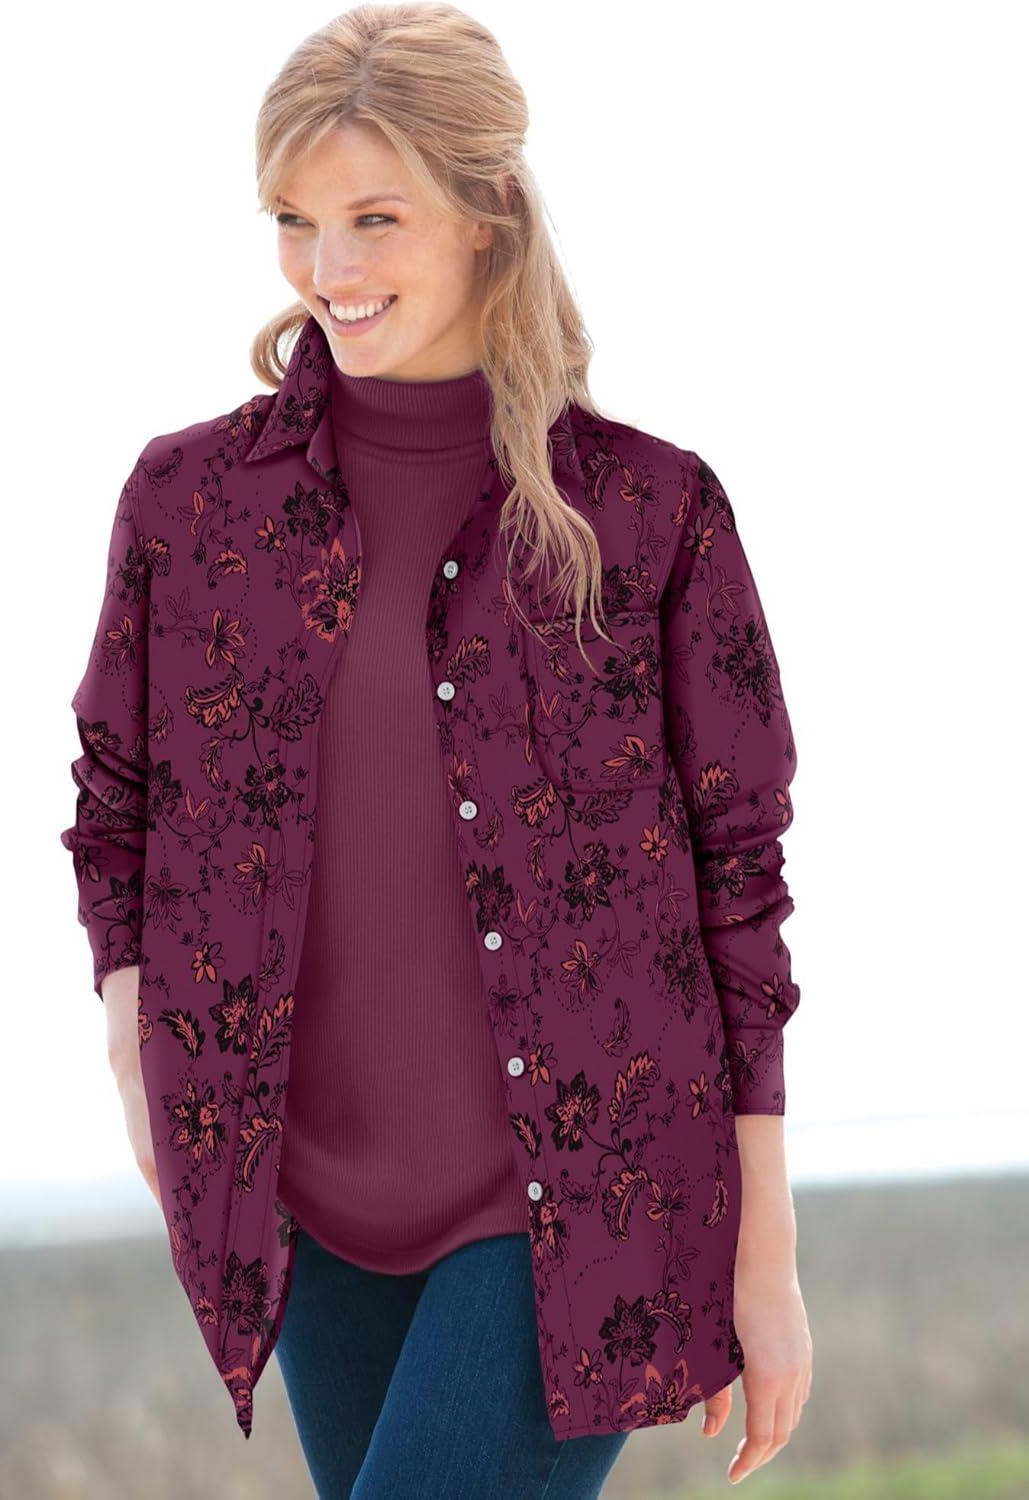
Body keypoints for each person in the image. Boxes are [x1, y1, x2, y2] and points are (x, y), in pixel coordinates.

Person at [65, 4, 812, 1495]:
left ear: (485, 211)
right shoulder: (192, 505)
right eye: (294, 220)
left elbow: (738, 883)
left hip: (586, 1192)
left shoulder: (646, 517)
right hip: (298, 1193)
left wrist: (767, 1253)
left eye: (374, 218)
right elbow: (116, 797)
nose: (326, 269)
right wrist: (134, 1042)